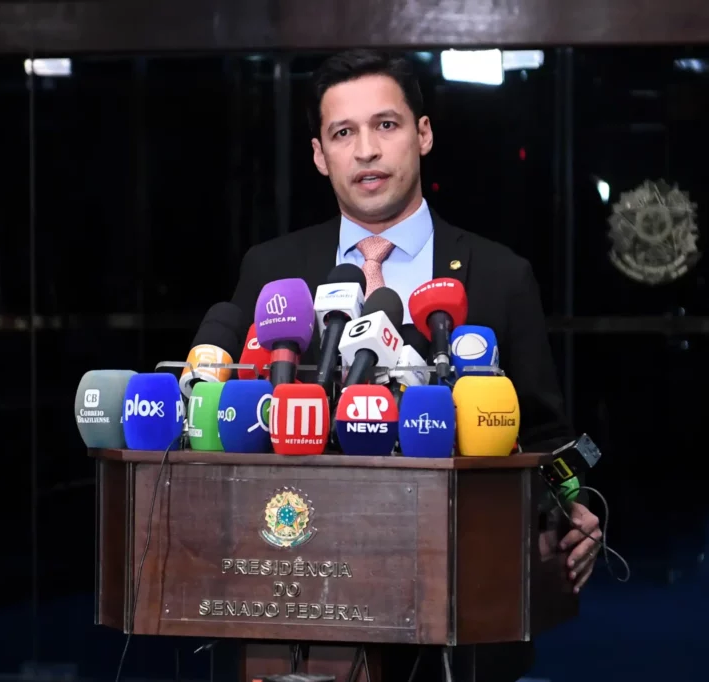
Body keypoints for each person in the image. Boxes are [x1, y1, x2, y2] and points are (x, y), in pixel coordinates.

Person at [229, 49, 601, 679]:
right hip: (300, 606)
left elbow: (547, 437)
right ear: (319, 155)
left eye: (386, 125)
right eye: (343, 133)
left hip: (458, 616)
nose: (366, 150)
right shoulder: (271, 271)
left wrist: (575, 502)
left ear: (422, 135)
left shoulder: (500, 276)